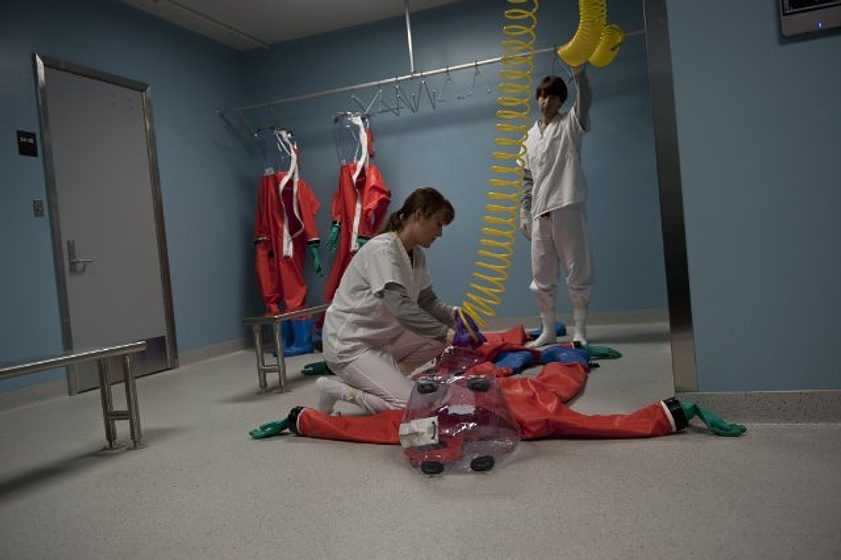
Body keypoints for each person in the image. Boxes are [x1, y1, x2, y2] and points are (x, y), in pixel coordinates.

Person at [317, 186, 484, 415]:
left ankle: (389, 377)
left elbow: (427, 302)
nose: (440, 233)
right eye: (438, 224)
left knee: (443, 331)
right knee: (412, 407)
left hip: (381, 336)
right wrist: (450, 336)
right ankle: (337, 390)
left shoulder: (416, 254)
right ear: (419, 215)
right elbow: (402, 308)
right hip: (351, 344)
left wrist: (456, 314)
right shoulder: (382, 250)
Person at [519, 65, 594, 347]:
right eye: (542, 96)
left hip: (567, 204)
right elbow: (526, 178)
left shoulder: (570, 124)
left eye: (552, 97)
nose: (545, 101)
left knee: (578, 269)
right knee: (541, 273)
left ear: (561, 100)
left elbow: (584, 102)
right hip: (540, 213)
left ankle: (580, 332)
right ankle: (548, 330)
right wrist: (523, 212)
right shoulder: (528, 137)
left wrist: (579, 76)